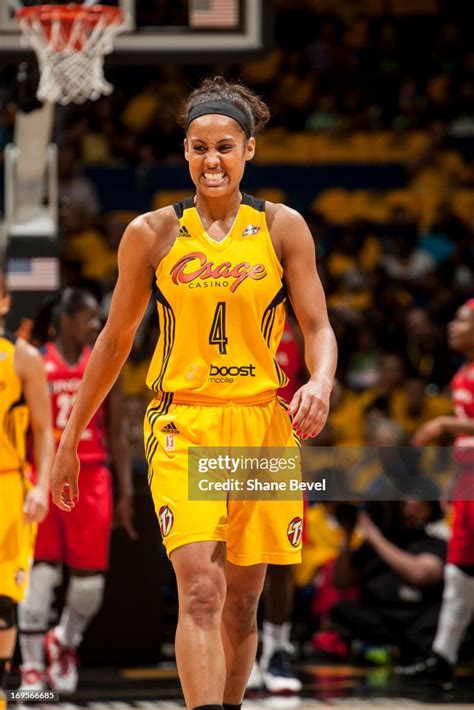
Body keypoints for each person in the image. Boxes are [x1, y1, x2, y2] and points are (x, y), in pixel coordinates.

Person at [50, 76, 337, 710]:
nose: (213, 160)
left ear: (249, 151)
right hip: (183, 424)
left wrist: (319, 380)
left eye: (226, 147)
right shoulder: (151, 233)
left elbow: (318, 327)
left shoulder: (284, 227)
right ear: (185, 151)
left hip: (262, 425)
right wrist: (72, 437)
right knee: (200, 591)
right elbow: (114, 341)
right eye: (200, 147)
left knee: (241, 604)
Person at [18, 288, 136, 695]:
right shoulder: (35, 362)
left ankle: (64, 641)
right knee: (41, 574)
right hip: (43, 474)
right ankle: (31, 666)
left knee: (89, 585)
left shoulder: (103, 362)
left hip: (93, 476)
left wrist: (125, 492)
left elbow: (118, 430)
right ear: (65, 319)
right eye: (88, 318)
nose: (95, 326)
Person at [396, 298, 474, 686]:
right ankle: (442, 656)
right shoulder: (463, 372)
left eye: (462, 320)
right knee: (458, 571)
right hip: (467, 484)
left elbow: (458, 428)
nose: (452, 327)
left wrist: (444, 424)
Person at [0, 272, 54, 709]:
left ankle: (4, 684)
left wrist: (43, 487)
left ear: (4, 302)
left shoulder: (22, 358)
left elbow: (43, 429)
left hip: (10, 486)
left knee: (3, 597)